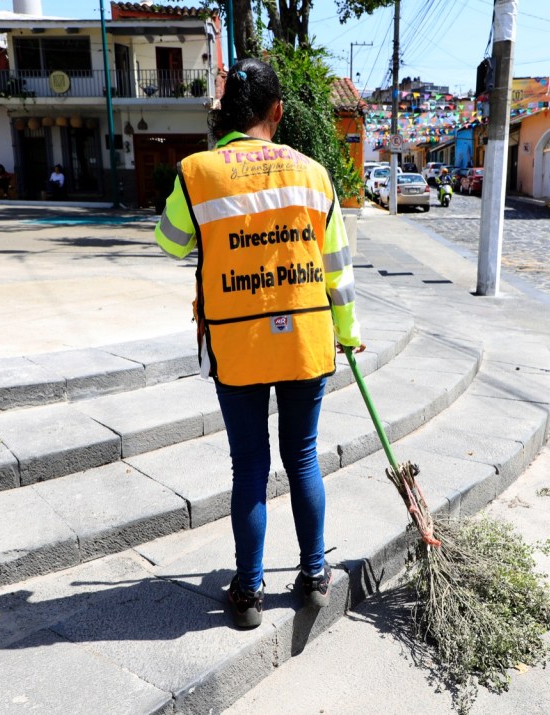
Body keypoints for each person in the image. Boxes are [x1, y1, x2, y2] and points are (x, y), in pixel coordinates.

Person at [154, 58, 364, 629]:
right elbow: (336, 267)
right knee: (302, 459)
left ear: (223, 115)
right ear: (278, 112)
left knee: (249, 467)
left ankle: (246, 594)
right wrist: (348, 334)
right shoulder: (315, 175)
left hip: (235, 344)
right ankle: (314, 576)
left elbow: (171, 243)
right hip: (304, 340)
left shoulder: (197, 172)